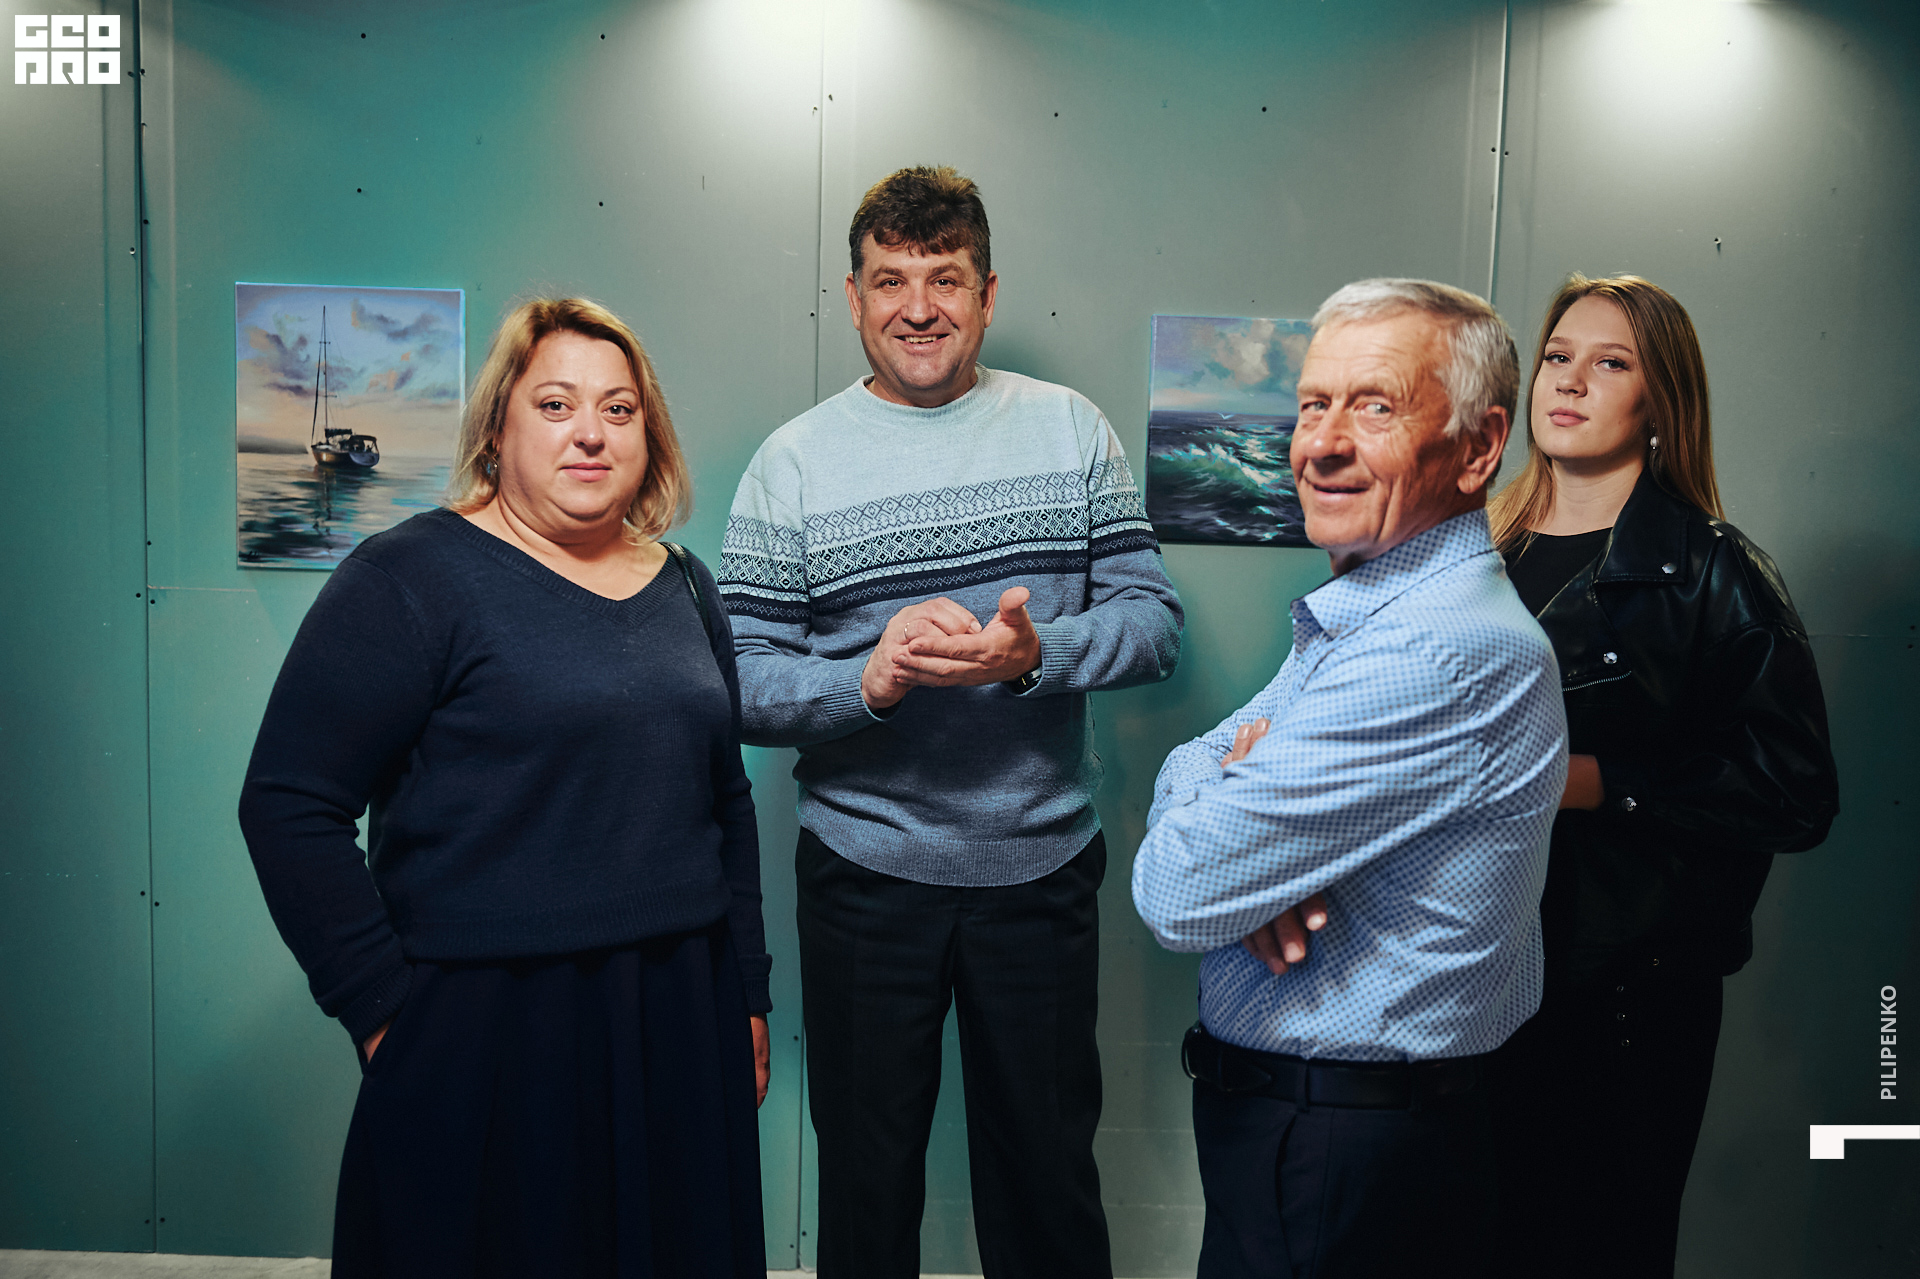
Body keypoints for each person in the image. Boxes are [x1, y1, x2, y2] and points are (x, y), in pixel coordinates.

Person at [238, 298, 771, 1277]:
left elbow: (725, 799)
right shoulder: (409, 577)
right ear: (496, 429)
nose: (589, 432)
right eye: (556, 403)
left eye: (618, 408)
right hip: (491, 1027)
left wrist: (747, 992)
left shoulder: (689, 585)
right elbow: (287, 801)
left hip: (678, 1014)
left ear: (648, 434)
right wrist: (383, 1012)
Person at [717, 165, 1182, 1278]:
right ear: (852, 297)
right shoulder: (792, 462)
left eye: (945, 278)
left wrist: (1037, 655)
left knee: (1047, 1179)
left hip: (1040, 868)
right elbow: (739, 681)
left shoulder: (1069, 429)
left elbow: (1155, 623)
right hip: (863, 874)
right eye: (891, 280)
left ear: (987, 293)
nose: (918, 307)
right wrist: (868, 682)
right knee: (867, 1183)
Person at [1132, 279, 1569, 1279]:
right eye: (1311, 404)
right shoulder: (1377, 612)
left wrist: (1239, 853)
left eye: (1374, 406)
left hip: (1342, 1153)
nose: (1320, 444)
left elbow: (1179, 888)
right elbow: (1198, 759)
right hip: (1329, 1136)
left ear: (1478, 447)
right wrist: (1244, 837)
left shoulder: (1429, 650)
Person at [1483, 274, 1839, 1278]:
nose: (1570, 381)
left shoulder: (1714, 571)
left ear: (1659, 400)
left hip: (1622, 1001)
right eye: (1558, 356)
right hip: (1463, 970)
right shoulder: (1471, 548)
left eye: (1611, 362)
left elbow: (1796, 790)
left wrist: (1595, 779)